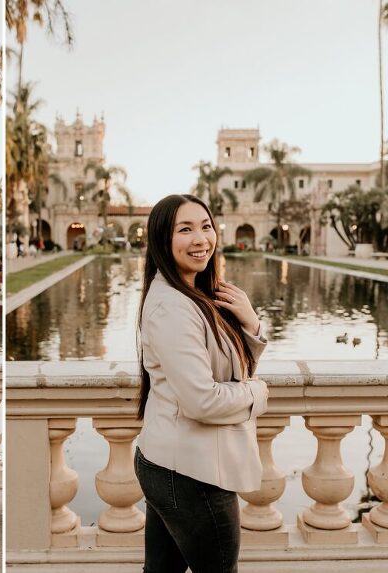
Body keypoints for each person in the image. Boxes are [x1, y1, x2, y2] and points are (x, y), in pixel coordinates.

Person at [134, 194, 269, 573]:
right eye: (185, 229)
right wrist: (258, 393)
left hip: (171, 462)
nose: (200, 239)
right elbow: (203, 400)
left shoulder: (196, 294)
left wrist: (251, 324)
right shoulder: (172, 307)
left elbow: (229, 369)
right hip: (193, 473)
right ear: (163, 239)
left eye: (206, 226)